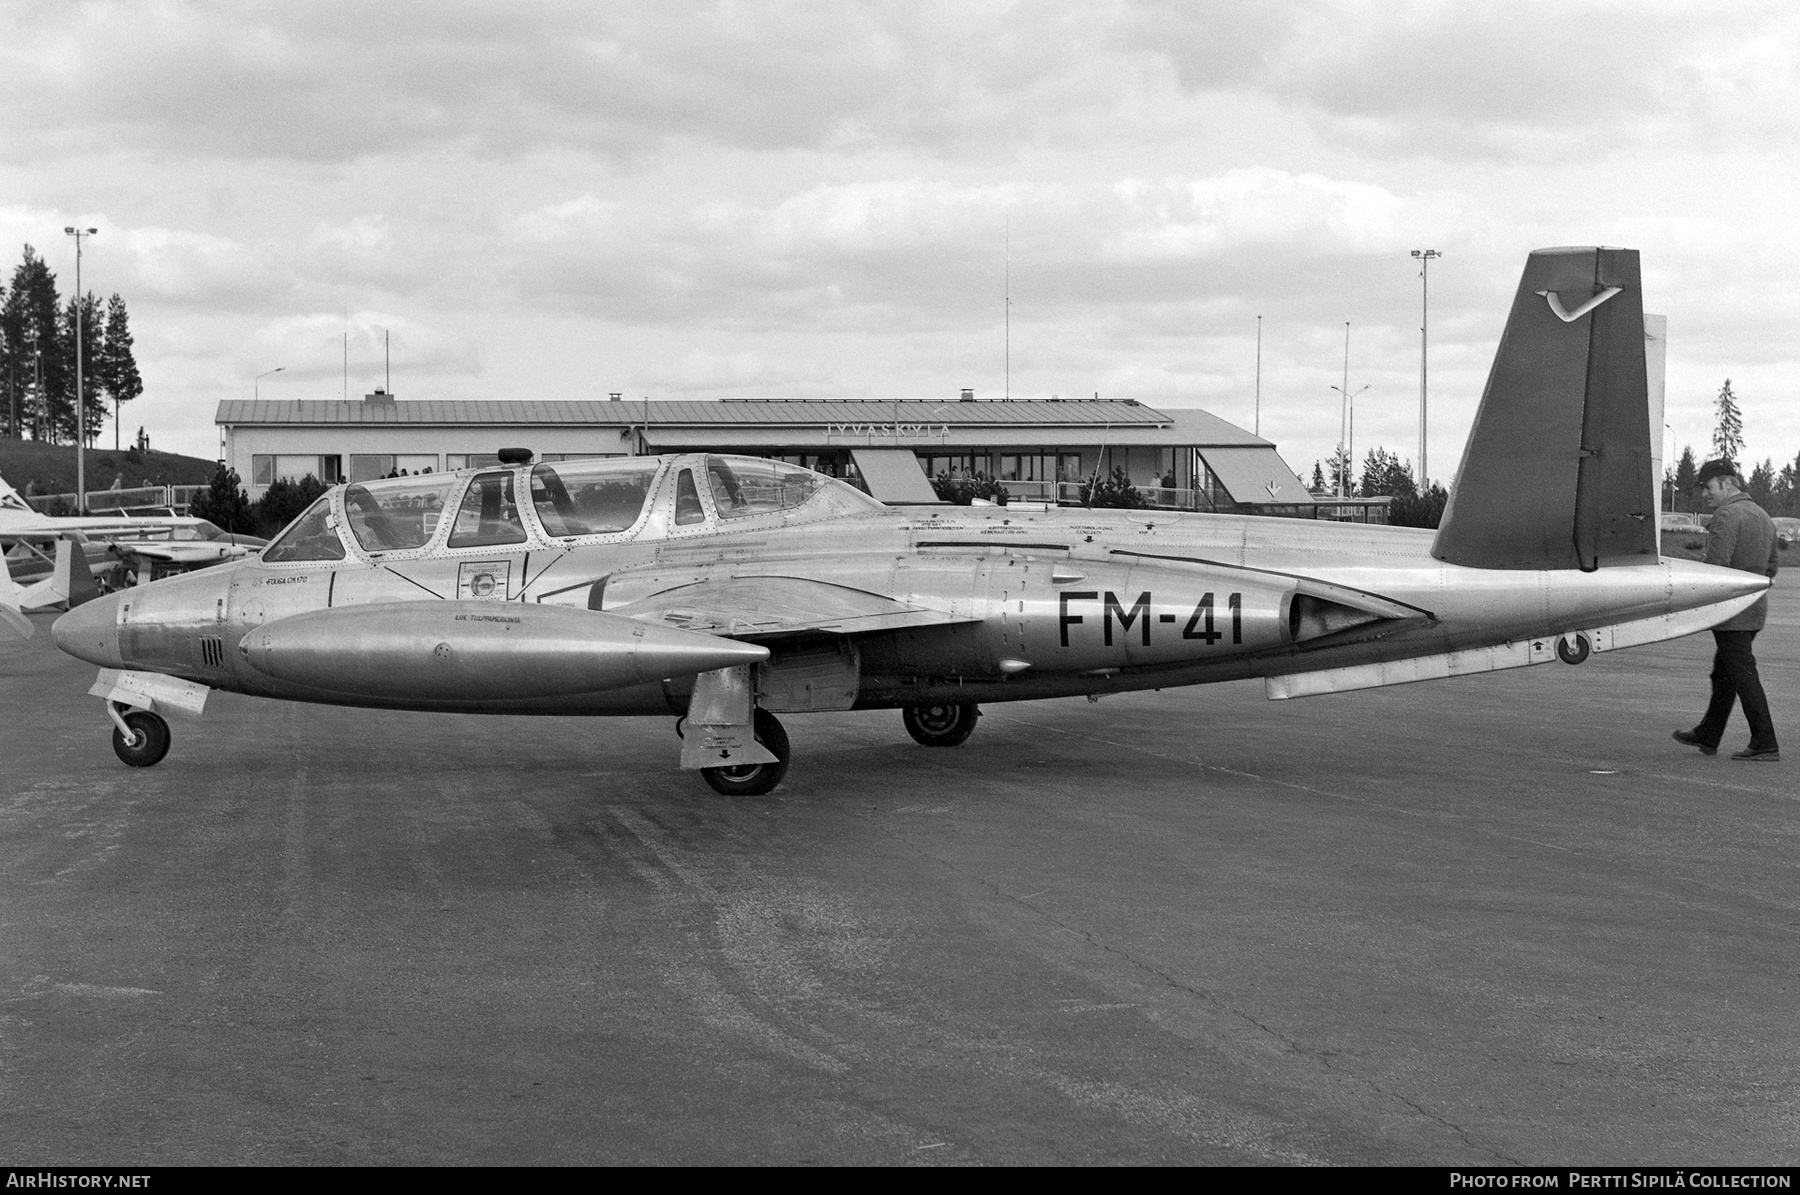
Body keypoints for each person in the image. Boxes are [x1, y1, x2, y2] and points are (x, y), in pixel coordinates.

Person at [1672, 459, 1781, 761]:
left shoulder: (1726, 515)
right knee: (1725, 673)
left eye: (1707, 487)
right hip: (1755, 609)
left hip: (1731, 613)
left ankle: (1764, 741)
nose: (1704, 494)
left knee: (1742, 674)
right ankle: (1709, 732)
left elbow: (1716, 567)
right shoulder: (1762, 515)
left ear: (1726, 483)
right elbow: (1772, 566)